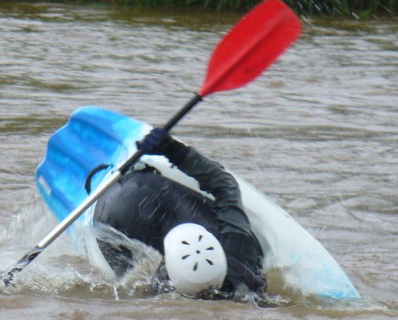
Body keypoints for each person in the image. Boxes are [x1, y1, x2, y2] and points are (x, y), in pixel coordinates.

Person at [92, 127, 267, 299]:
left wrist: (170, 148)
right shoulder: (239, 248)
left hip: (126, 203)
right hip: (119, 210)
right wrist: (172, 148)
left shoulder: (240, 249)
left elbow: (226, 185)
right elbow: (225, 185)